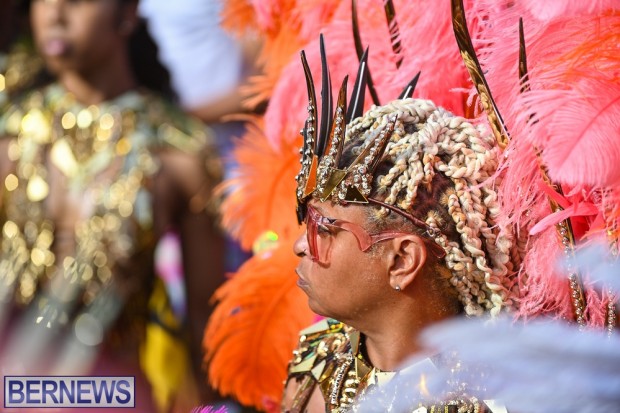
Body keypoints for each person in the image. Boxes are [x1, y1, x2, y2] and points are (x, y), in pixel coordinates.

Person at [0, 0, 225, 411]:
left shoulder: (180, 152)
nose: (54, 14)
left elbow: (205, 327)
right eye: (42, 0)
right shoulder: (9, 137)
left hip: (114, 396)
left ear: (127, 13)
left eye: (77, 1)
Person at [280, 40, 521, 411]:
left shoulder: (492, 401)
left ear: (401, 260)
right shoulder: (317, 359)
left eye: (323, 229)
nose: (300, 245)